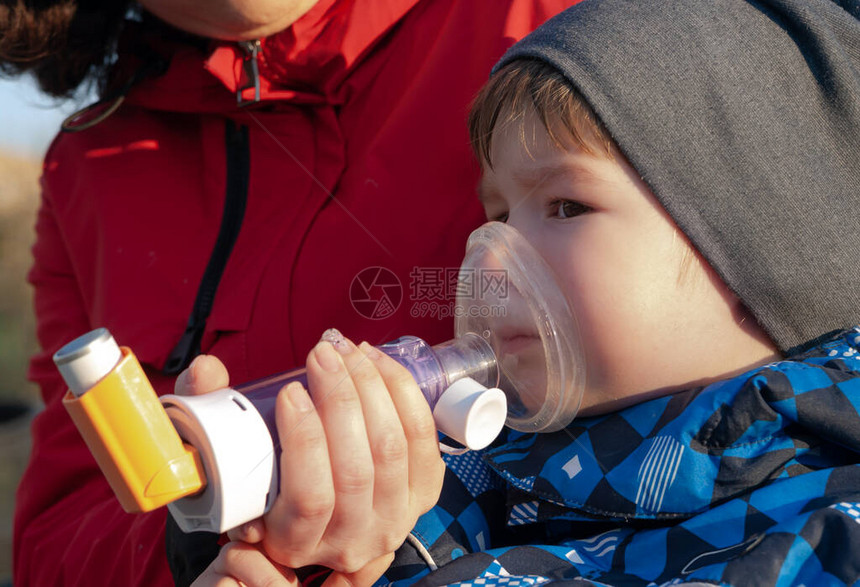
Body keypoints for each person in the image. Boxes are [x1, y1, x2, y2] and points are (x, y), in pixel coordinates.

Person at [188, 0, 860, 583]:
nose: (490, 263)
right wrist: (292, 544)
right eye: (497, 216)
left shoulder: (829, 535)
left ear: (758, 253)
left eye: (566, 207)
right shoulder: (453, 487)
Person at [4, 0, 582, 584]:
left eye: (566, 208)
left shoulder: (560, 25)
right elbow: (57, 539)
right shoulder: (90, 163)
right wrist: (202, 544)